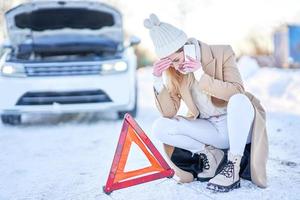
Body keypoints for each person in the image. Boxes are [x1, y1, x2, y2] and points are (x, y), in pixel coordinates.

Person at [143, 13, 268, 192]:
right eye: (170, 63)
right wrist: (156, 80)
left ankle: (233, 166)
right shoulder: (175, 72)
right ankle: (211, 153)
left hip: (238, 126)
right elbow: (169, 113)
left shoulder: (222, 52)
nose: (176, 66)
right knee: (159, 126)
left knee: (239, 100)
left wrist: (201, 74)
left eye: (177, 60)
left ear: (187, 48)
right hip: (211, 129)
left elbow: (237, 91)